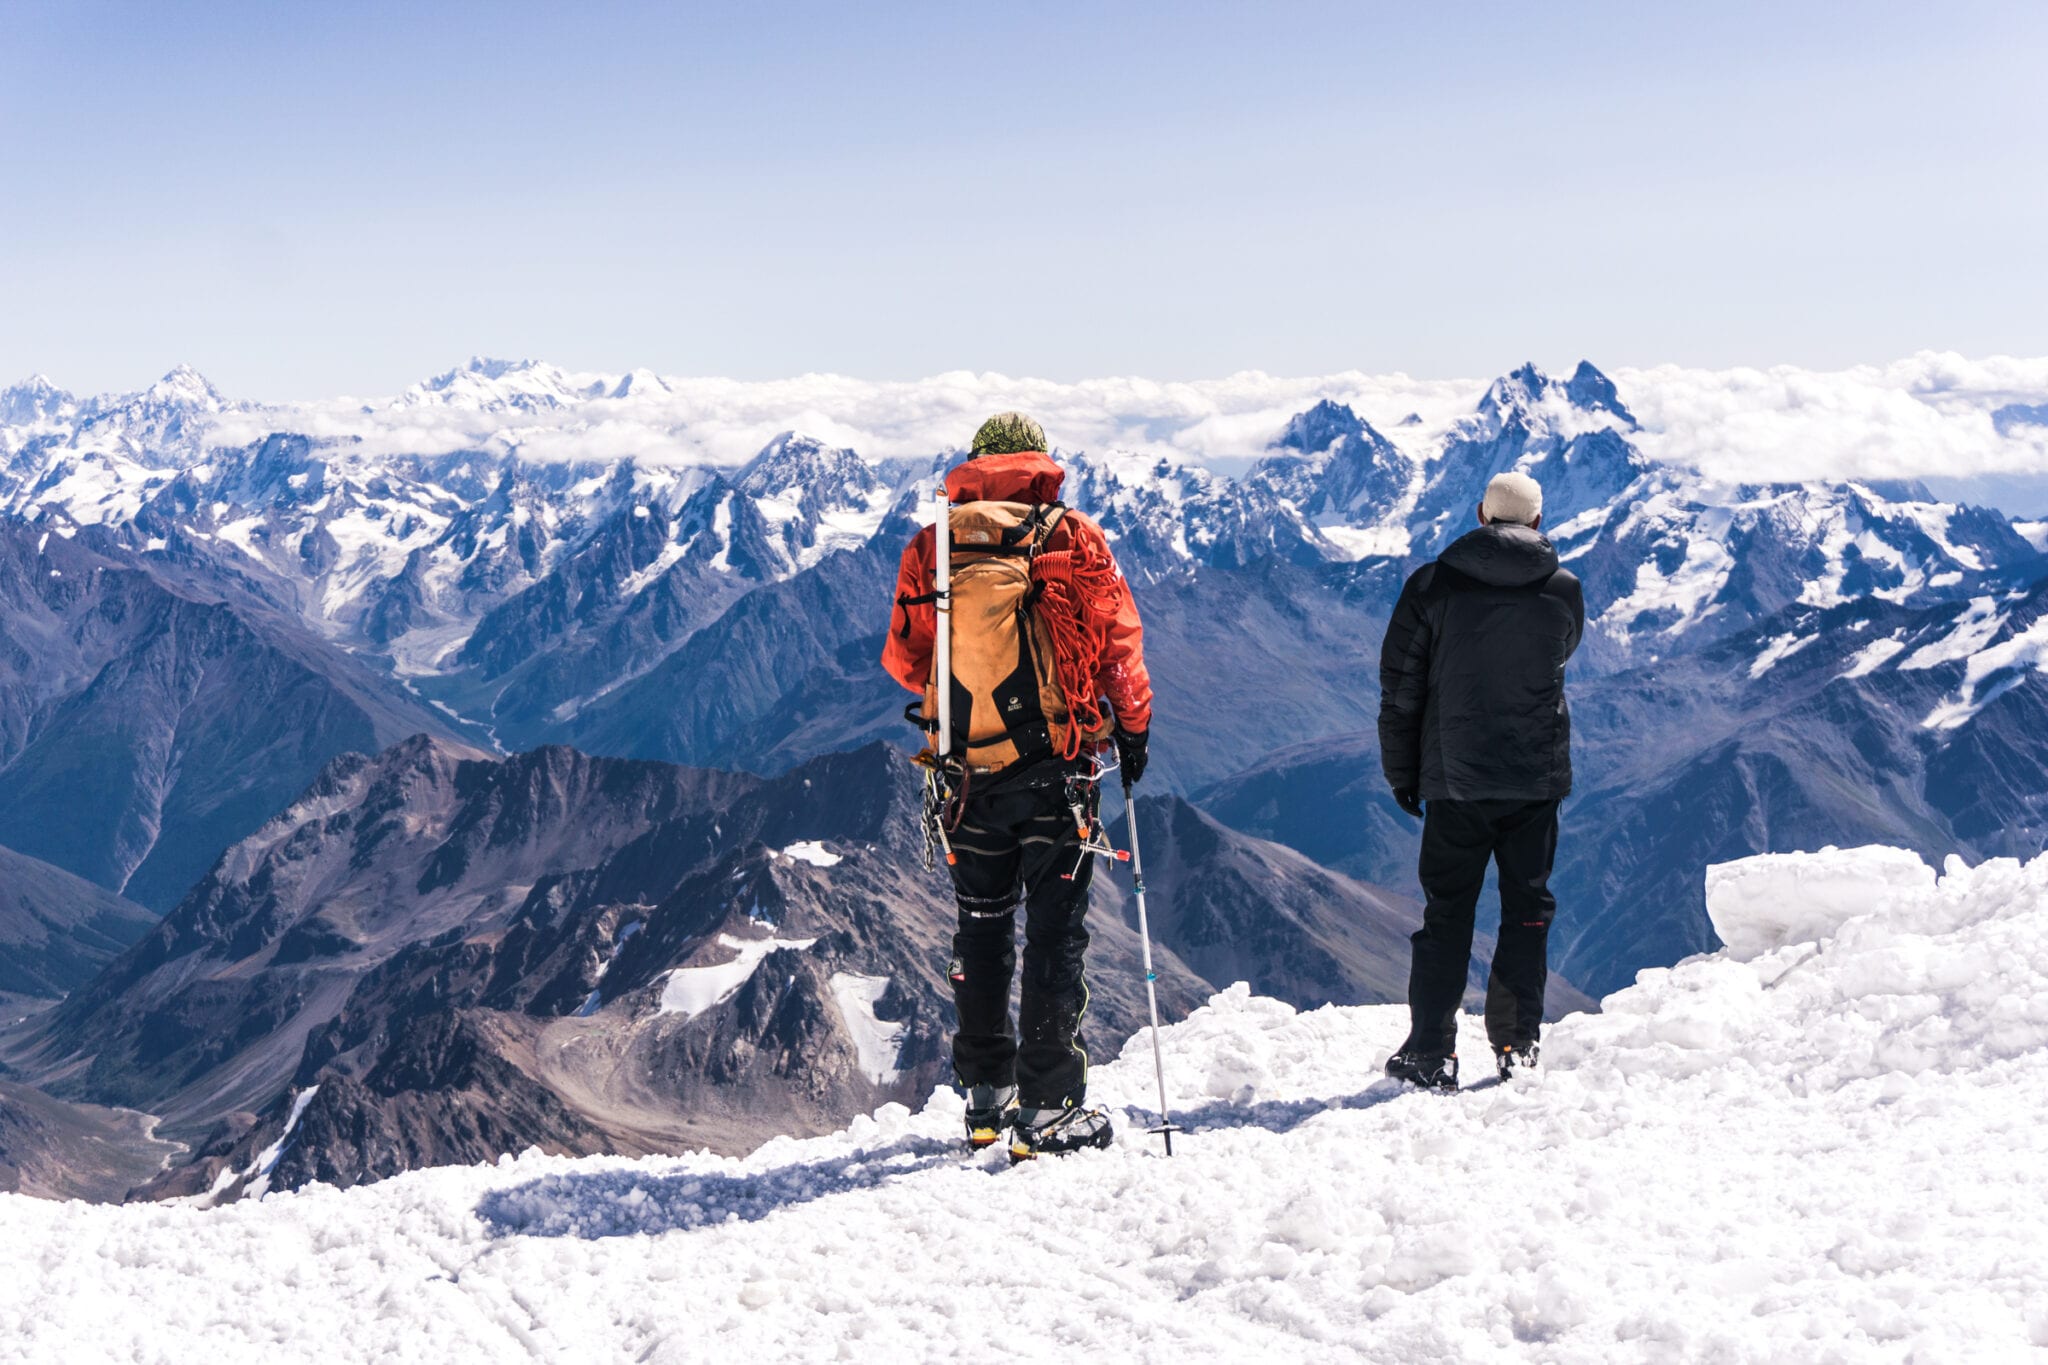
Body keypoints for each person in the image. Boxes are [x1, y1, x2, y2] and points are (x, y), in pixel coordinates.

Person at [882, 412, 1154, 1158]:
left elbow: (906, 663)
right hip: (1057, 772)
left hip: (964, 774)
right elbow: (1118, 646)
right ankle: (1050, 1107)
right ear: (1038, 462)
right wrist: (1132, 731)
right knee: (1056, 932)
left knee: (981, 927)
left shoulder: (933, 544)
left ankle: (984, 1100)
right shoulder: (1071, 536)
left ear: (974, 463)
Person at [1376, 470, 1584, 1090]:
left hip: (1454, 778)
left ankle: (1431, 1052)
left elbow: (1400, 690)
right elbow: (1560, 653)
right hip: (1534, 777)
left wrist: (1402, 772)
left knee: (1448, 913)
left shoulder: (1431, 587)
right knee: (1527, 909)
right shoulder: (1564, 589)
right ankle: (1518, 1043)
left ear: (1480, 516)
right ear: (1539, 521)